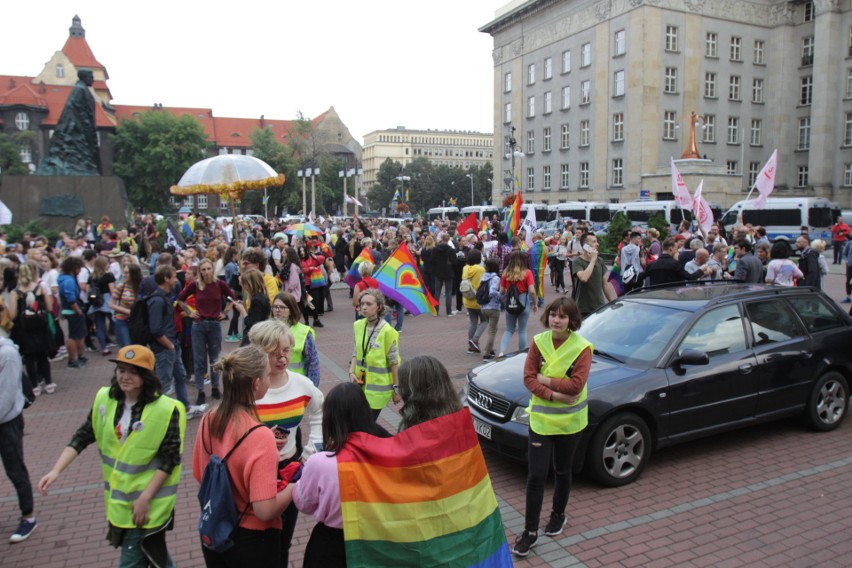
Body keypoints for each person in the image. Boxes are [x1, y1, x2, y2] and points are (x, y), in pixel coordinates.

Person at [38, 345, 186, 566]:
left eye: (133, 372)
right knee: (154, 554)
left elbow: (170, 459)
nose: (125, 377)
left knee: (133, 559)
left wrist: (145, 499)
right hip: (119, 503)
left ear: (147, 375)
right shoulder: (104, 399)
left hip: (149, 505)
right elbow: (84, 435)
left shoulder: (166, 409)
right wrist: (56, 470)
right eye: (121, 370)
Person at [192, 345, 295, 567]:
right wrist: (295, 486)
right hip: (252, 541)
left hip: (215, 531)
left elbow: (201, 474)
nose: (269, 379)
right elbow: (265, 510)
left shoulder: (209, 419)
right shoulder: (259, 437)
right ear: (256, 384)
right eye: (267, 375)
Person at [513, 297, 592, 557]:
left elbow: (576, 386)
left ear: (572, 321)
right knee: (536, 475)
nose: (557, 320)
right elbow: (527, 378)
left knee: (562, 470)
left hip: (571, 422)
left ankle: (558, 515)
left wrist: (544, 378)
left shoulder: (582, 348)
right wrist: (554, 395)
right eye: (554, 315)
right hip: (542, 421)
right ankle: (530, 532)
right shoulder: (538, 342)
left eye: (563, 316)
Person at [249, 320, 324, 567]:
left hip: (290, 469)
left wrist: (309, 454)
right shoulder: (248, 388)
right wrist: (258, 439)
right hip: (254, 473)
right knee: (257, 539)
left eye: (286, 351)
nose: (282, 358)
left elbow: (320, 412)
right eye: (274, 352)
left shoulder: (301, 385)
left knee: (283, 539)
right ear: (259, 352)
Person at [293, 383, 390, 567]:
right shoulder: (389, 452)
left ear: (330, 417)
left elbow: (304, 504)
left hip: (331, 545)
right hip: (376, 540)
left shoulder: (320, 462)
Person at [177, 258, 236, 405]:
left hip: (215, 324)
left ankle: (215, 387)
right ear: (200, 272)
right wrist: (190, 312)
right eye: (203, 269)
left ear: (213, 269)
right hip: (199, 325)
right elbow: (180, 299)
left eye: (208, 268)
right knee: (199, 359)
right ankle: (200, 390)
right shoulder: (195, 285)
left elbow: (232, 298)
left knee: (215, 358)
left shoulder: (219, 284)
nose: (206, 272)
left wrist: (225, 311)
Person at [147, 265, 201, 418]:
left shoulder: (164, 297)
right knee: (164, 382)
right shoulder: (157, 300)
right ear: (166, 279)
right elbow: (155, 329)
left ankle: (185, 407)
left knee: (180, 376)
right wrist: (169, 345)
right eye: (174, 276)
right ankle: (160, 415)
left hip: (172, 345)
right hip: (165, 347)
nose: (177, 279)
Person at [1, 337, 37, 543]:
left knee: (15, 469)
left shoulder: (7, 354)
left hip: (7, 423)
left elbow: (5, 398)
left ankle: (28, 517)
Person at [348, 288, 401, 421]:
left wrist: (396, 390)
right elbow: (356, 351)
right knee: (360, 423)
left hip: (378, 389)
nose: (364, 307)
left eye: (369, 304)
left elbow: (394, 363)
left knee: (366, 423)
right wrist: (351, 371)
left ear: (379, 307)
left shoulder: (388, 331)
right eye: (362, 304)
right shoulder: (358, 325)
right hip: (359, 384)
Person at [35, 68, 100, 175]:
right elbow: (74, 106)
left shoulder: (83, 89)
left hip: (82, 126)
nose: (93, 79)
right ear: (84, 77)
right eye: (91, 76)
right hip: (78, 127)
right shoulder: (79, 89)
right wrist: (84, 122)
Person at [8, 262, 56, 395]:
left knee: (29, 357)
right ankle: (49, 383)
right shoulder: (40, 288)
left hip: (24, 330)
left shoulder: (15, 293)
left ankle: (34, 385)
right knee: (42, 356)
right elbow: (49, 308)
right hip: (40, 327)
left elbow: (12, 315)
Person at [397, 355, 463, 432]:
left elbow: (401, 443)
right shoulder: (459, 420)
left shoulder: (417, 430)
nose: (399, 392)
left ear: (416, 395)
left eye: (401, 387)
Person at [272, 292, 319, 386]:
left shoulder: (304, 332)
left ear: (291, 310)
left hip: (297, 385)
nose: (277, 310)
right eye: (275, 307)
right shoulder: (266, 330)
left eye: (282, 307)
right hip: (273, 384)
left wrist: (312, 388)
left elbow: (312, 365)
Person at [499, 251, 538, 356]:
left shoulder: (506, 273)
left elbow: (501, 291)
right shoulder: (527, 273)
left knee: (509, 330)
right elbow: (532, 291)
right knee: (522, 330)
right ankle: (522, 354)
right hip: (523, 303)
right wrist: (535, 304)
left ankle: (502, 352)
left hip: (510, 304)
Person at [571, 234, 613, 317]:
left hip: (599, 306)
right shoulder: (577, 262)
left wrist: (612, 302)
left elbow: (605, 283)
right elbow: (584, 278)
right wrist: (593, 260)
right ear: (585, 246)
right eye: (594, 242)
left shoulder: (600, 260)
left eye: (597, 241)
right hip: (583, 308)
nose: (597, 244)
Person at [637, 237, 708, 287]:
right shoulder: (675, 264)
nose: (677, 251)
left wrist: (639, 289)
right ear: (671, 249)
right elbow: (690, 277)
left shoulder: (652, 265)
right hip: (672, 298)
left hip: (656, 297)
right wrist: (701, 270)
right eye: (676, 248)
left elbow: (640, 276)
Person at [57, 256, 88, 369]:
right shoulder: (69, 281)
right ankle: (73, 359)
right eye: (79, 268)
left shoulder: (64, 278)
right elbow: (71, 298)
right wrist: (78, 310)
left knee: (77, 334)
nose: (80, 270)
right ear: (74, 268)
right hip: (73, 311)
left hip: (70, 310)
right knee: (74, 336)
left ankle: (78, 357)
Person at [230, 268, 271, 346]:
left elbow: (252, 323)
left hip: (254, 338)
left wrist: (242, 310)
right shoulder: (262, 296)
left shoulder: (256, 300)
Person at [110, 263, 143, 347]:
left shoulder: (141, 287)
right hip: (122, 320)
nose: (124, 275)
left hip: (137, 321)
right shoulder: (121, 287)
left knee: (137, 346)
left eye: (127, 272)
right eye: (124, 272)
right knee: (126, 346)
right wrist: (127, 311)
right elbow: (112, 304)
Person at [462, 249, 488, 354]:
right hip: (478, 299)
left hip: (467, 298)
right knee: (485, 321)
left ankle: (471, 346)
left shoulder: (465, 268)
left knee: (473, 322)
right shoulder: (481, 269)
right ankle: (475, 340)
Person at [479, 258, 503, 361]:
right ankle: (487, 352)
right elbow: (492, 291)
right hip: (493, 307)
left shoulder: (484, 277)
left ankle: (491, 348)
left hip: (484, 307)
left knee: (493, 328)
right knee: (492, 331)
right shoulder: (496, 278)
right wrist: (501, 295)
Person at [429, 233, 456, 316]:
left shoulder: (435, 249)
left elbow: (431, 261)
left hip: (438, 272)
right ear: (448, 240)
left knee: (437, 292)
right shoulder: (451, 250)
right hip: (448, 272)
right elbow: (454, 262)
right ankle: (449, 312)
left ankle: (436, 311)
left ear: (441, 238)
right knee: (448, 292)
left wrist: (434, 270)